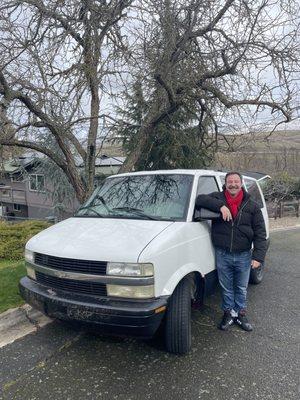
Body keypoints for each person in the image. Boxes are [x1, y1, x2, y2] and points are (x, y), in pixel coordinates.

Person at [196, 172, 267, 331]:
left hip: (244, 254)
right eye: (230, 182)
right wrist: (220, 206)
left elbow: (260, 233)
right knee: (226, 287)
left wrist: (258, 257)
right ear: (225, 183)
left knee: (241, 287)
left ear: (241, 183)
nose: (233, 184)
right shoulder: (217, 197)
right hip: (223, 253)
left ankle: (240, 314)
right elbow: (199, 199)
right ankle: (228, 313)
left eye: (236, 181)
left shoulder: (252, 204)